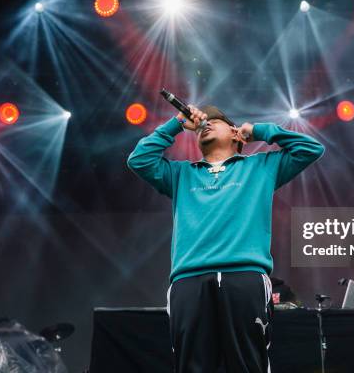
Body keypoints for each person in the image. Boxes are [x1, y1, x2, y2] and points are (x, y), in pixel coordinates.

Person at [127, 104, 324, 372]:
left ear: (234, 134)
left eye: (214, 122)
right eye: (200, 125)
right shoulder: (180, 173)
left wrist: (259, 131)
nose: (204, 125)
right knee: (190, 365)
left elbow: (311, 149)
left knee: (248, 364)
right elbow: (139, 160)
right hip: (189, 279)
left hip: (244, 276)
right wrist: (175, 124)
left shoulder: (261, 166)